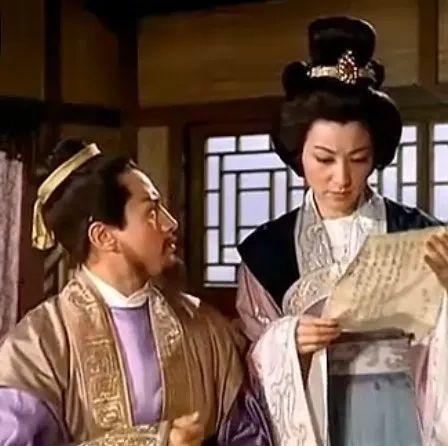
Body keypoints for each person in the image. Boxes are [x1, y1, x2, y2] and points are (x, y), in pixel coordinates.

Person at [235, 16, 448, 446]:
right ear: (298, 153)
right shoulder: (267, 251)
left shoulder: (419, 232)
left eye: (359, 158)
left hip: (401, 407)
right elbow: (249, 353)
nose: (342, 178)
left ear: (377, 155)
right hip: (315, 411)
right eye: (324, 159)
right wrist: (288, 340)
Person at [0, 139, 273, 445]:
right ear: (103, 236)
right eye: (152, 212)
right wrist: (154, 440)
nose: (170, 223)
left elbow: (247, 433)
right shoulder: (41, 345)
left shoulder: (203, 325)